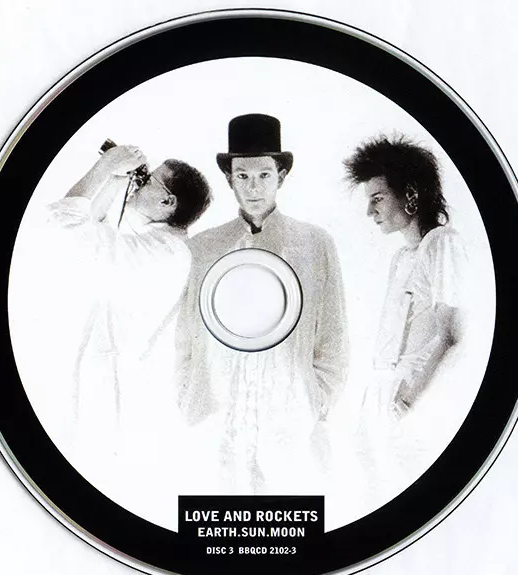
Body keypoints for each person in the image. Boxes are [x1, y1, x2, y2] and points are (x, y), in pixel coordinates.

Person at [176, 114, 349, 494]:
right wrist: (191, 399)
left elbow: (333, 333)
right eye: (242, 175)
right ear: (229, 179)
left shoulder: (314, 243)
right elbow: (185, 335)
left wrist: (314, 400)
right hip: (219, 413)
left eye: (264, 175)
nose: (253, 186)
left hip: (288, 414)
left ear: (281, 177)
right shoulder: (203, 248)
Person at [44, 142, 211, 489]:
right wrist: (119, 180)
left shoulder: (164, 255)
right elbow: (96, 225)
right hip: (110, 386)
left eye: (147, 180)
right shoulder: (162, 247)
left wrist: (104, 168)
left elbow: (66, 223)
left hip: (111, 397)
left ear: (167, 202)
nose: (139, 182)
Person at [344, 134, 468, 500]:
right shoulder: (403, 256)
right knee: (371, 491)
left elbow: (452, 334)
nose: (370, 212)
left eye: (378, 198)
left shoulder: (442, 242)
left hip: (414, 397)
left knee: (411, 491)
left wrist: (409, 399)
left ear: (410, 194)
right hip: (383, 393)